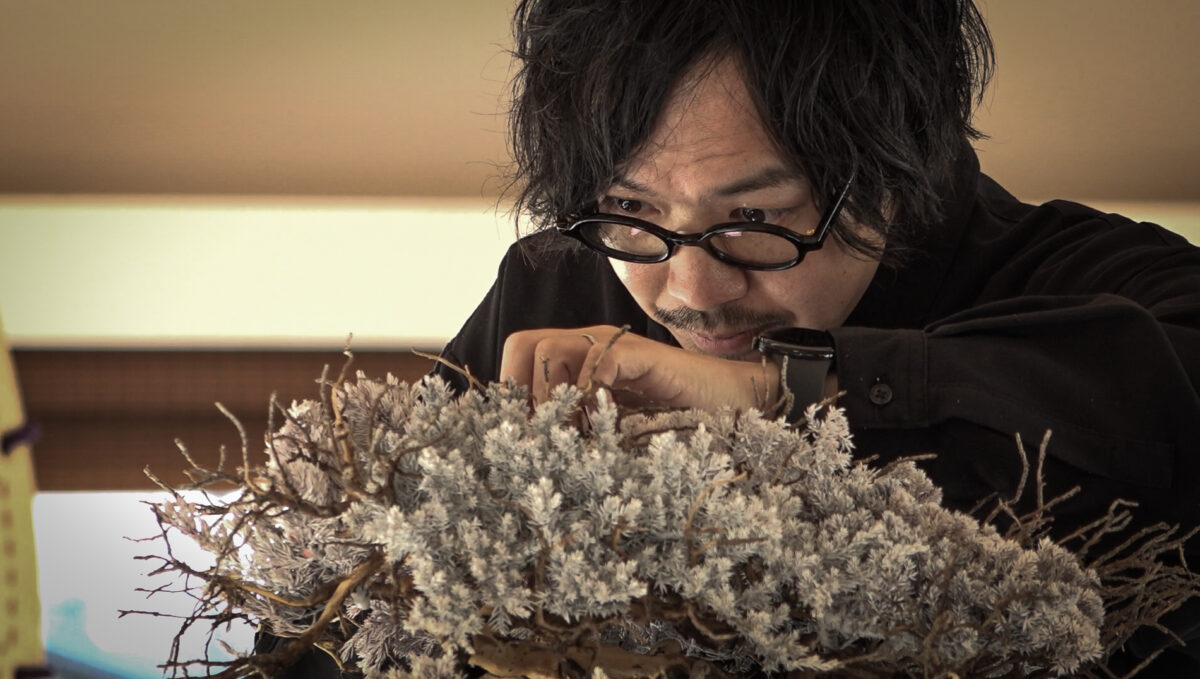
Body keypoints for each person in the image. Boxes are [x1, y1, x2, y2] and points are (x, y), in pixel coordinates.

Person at [280, 1, 1200, 676]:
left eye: (755, 219)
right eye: (632, 208)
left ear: (898, 169)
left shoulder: (1106, 281)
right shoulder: (555, 290)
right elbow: (341, 631)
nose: (690, 292)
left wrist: (787, 391)